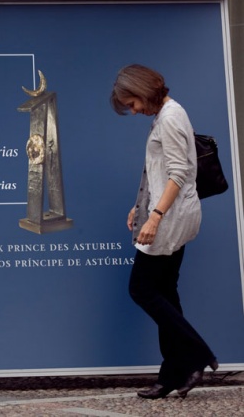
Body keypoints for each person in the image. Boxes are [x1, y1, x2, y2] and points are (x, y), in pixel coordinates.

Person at [110, 64, 218, 399]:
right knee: (166, 292)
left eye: (133, 103)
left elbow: (179, 172)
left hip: (169, 219)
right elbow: (160, 173)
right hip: (173, 213)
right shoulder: (170, 114)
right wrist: (138, 207)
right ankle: (175, 373)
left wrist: (154, 217)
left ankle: (197, 354)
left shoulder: (170, 118)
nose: (135, 110)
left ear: (143, 91)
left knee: (141, 289)